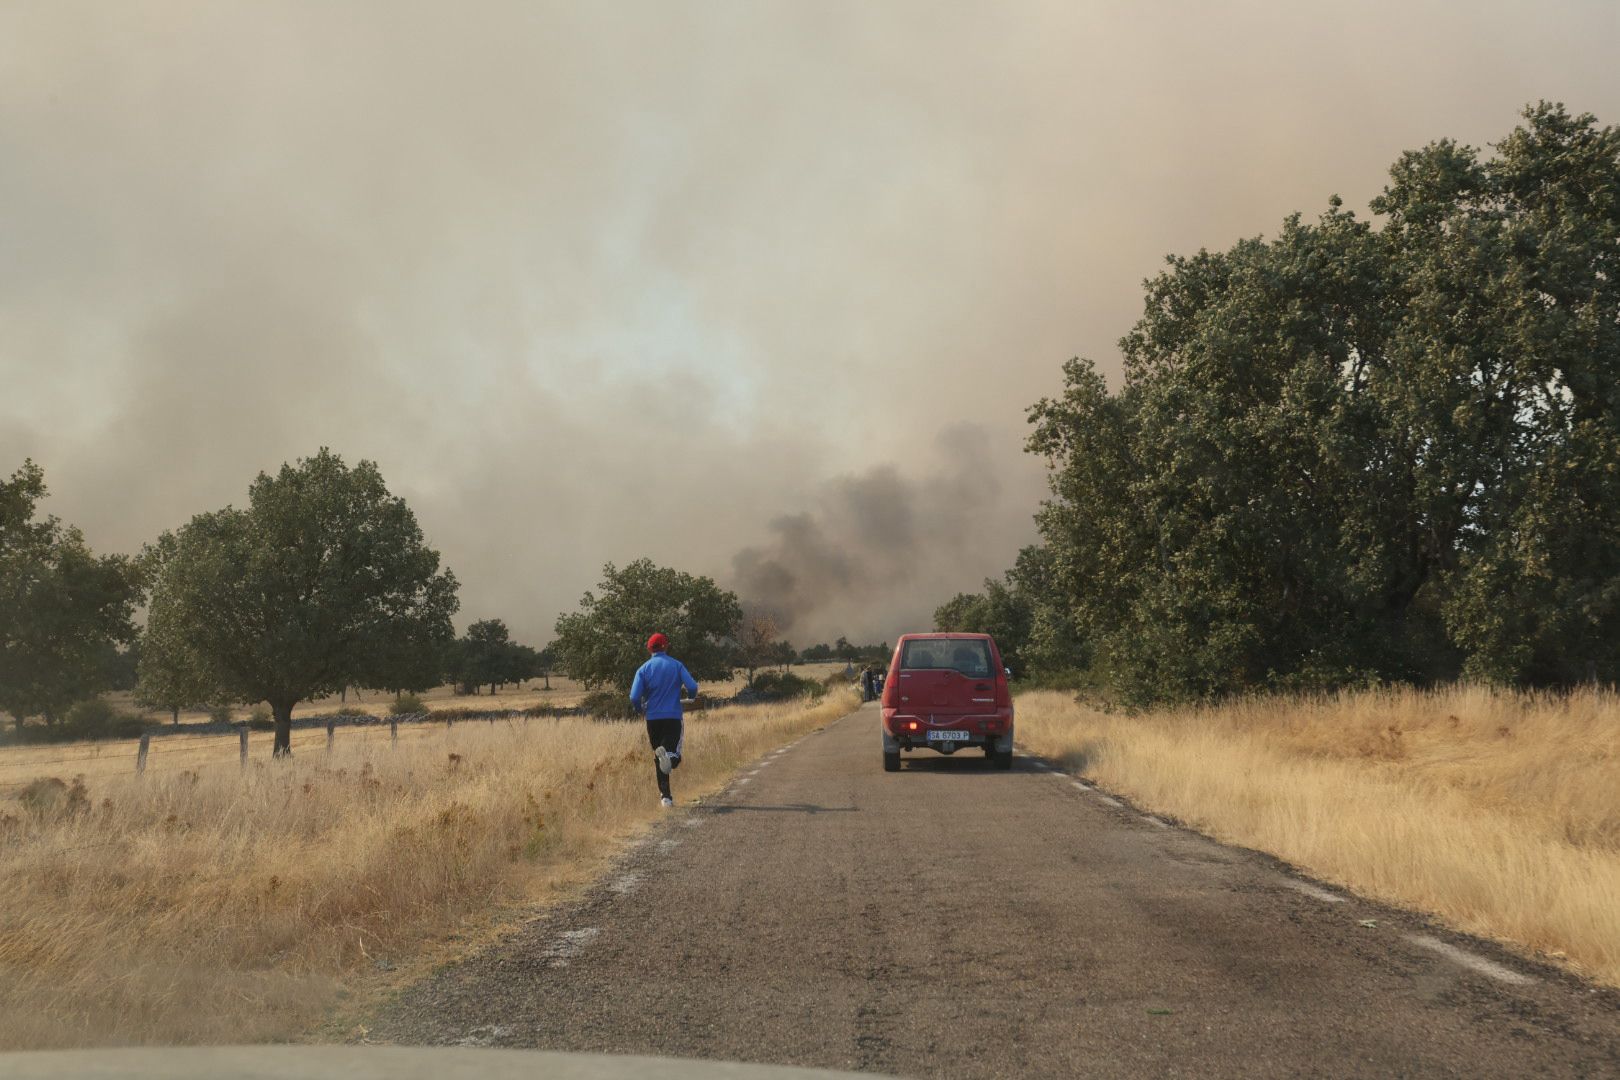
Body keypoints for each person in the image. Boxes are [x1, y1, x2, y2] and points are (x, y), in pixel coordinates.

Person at [629, 632, 699, 807]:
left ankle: (666, 797)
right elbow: (692, 686)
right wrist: (691, 696)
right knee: (672, 756)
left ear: (649, 649)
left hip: (652, 719)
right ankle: (672, 759)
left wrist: (639, 710)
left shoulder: (643, 669)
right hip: (673, 716)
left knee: (660, 758)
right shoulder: (676, 665)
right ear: (666, 646)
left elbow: (634, 697)